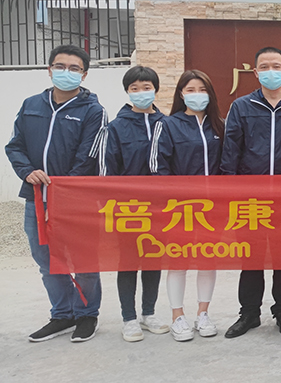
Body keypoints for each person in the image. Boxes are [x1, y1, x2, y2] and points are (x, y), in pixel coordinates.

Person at [6, 45, 108, 343]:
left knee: (83, 260)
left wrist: (63, 194)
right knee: (46, 259)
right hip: (35, 198)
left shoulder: (93, 111)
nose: (66, 72)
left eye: (74, 68)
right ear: (49, 70)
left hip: (76, 200)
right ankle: (62, 314)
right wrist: (27, 171)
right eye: (60, 66)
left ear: (84, 75)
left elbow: (88, 157)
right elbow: (15, 146)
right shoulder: (31, 105)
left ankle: (87, 314)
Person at [221, 46, 281, 338]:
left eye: (276, 66)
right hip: (250, 199)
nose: (270, 71)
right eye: (264, 67)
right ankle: (249, 313)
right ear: (255, 73)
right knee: (250, 258)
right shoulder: (242, 106)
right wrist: (229, 193)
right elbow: (230, 152)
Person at [98, 65, 170, 342]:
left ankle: (148, 313)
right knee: (128, 262)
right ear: (127, 92)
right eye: (135, 88)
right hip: (128, 209)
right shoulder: (115, 128)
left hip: (160, 208)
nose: (141, 92)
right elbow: (107, 171)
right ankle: (128, 318)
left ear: (155, 89)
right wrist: (114, 207)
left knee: (153, 259)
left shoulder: (167, 123)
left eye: (146, 87)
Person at [151, 70, 224, 342]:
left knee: (208, 259)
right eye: (190, 90)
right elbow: (159, 166)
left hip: (212, 209)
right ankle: (177, 316)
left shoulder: (220, 125)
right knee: (178, 261)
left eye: (202, 90)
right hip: (179, 207)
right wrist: (173, 199)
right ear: (181, 94)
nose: (197, 95)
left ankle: (203, 313)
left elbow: (228, 164)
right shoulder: (169, 125)